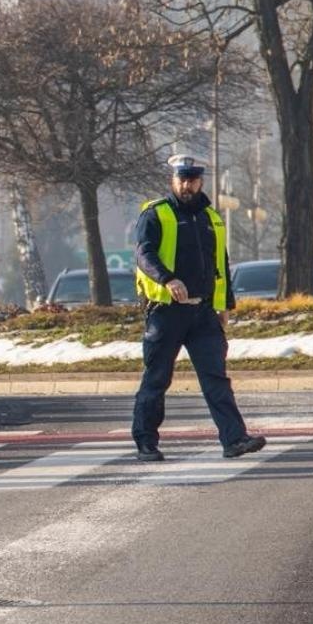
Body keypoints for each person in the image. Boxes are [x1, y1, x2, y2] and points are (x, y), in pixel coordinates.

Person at [131, 155, 265, 462]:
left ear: (200, 181)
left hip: (203, 313)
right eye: (181, 179)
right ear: (173, 180)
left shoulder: (211, 217)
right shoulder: (156, 214)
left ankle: (234, 439)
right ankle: (146, 442)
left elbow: (221, 264)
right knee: (157, 378)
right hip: (165, 311)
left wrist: (225, 306)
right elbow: (144, 254)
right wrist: (167, 279)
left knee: (216, 377)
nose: (187, 185)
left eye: (192, 180)